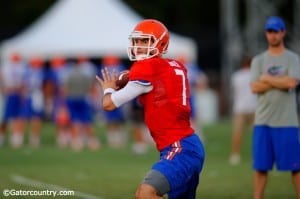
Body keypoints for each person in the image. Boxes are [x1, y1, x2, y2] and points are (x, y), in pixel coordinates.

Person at [96, 19, 205, 199]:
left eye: (145, 41)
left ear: (160, 43)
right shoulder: (175, 65)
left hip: (179, 148)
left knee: (145, 193)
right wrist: (124, 78)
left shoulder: (147, 68)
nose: (139, 46)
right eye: (137, 41)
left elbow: (108, 104)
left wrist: (108, 88)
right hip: (188, 144)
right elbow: (143, 75)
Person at [250, 16, 300, 199]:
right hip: (264, 121)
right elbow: (254, 87)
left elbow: (292, 82)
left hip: (287, 121)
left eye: (276, 31)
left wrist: (266, 79)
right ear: (266, 33)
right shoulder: (259, 60)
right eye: (269, 31)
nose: (272, 35)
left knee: (295, 166)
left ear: (283, 32)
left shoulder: (292, 58)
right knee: (261, 166)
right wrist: (281, 81)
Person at [229, 56, 257, 165]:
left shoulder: (236, 75)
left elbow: (234, 91)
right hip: (253, 107)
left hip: (240, 107)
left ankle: (235, 155)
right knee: (256, 134)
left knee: (237, 133)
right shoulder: (255, 75)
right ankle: (256, 156)